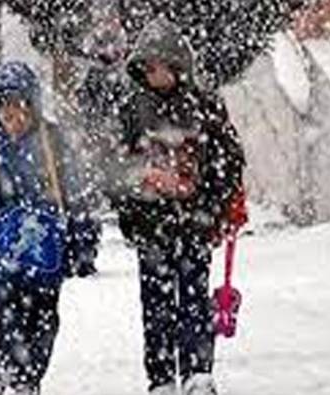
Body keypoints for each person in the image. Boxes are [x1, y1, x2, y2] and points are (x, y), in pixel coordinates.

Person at [0, 61, 99, 395]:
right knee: (5, 321)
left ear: (33, 108)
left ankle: (29, 378)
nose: (14, 122)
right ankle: (14, 381)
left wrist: (84, 246)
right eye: (6, 114)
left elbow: (77, 196)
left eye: (21, 112)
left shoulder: (53, 141)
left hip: (46, 256)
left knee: (44, 323)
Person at [109, 18, 246, 395]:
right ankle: (161, 377)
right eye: (149, 68)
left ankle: (198, 371)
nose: (156, 75)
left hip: (194, 222)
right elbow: (118, 165)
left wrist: (215, 205)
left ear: (178, 66)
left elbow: (228, 159)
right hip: (151, 223)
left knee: (194, 300)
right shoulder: (132, 110)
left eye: (163, 66)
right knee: (156, 304)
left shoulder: (204, 106)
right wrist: (132, 206)